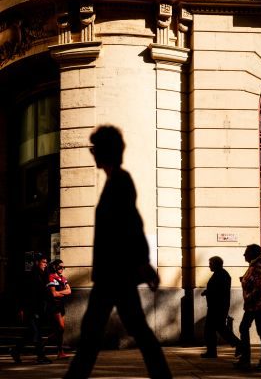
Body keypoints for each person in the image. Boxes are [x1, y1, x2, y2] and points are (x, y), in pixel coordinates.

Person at [63, 125, 173, 379]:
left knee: (98, 335)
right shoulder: (115, 181)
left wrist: (144, 263)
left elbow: (132, 224)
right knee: (120, 332)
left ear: (105, 151)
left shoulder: (120, 182)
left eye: (95, 149)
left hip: (115, 275)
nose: (92, 154)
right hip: (112, 275)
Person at [10, 253, 52, 364]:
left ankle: (15, 350)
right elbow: (22, 293)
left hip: (40, 308)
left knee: (30, 333)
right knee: (36, 333)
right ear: (37, 262)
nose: (45, 264)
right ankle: (40, 356)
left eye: (46, 262)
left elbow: (45, 292)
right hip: (31, 309)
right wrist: (21, 309)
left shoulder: (44, 275)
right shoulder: (30, 275)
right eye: (43, 262)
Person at [234, 244, 261, 370]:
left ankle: (247, 360)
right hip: (256, 304)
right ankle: (256, 360)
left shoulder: (257, 266)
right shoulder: (255, 265)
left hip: (255, 305)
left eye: (246, 252)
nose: (244, 255)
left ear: (252, 254)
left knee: (245, 328)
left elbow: (260, 286)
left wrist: (249, 297)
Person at [201, 256, 241, 358]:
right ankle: (212, 352)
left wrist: (208, 292)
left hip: (218, 307)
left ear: (216, 264)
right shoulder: (219, 274)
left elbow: (220, 291)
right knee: (214, 329)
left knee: (216, 329)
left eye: (210, 263)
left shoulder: (222, 275)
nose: (209, 265)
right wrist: (207, 292)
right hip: (216, 306)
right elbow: (216, 289)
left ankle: (239, 345)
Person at [47, 259, 71, 359]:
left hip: (61, 305)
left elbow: (69, 291)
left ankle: (60, 352)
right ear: (55, 267)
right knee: (60, 328)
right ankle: (44, 343)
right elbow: (53, 293)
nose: (62, 269)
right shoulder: (51, 277)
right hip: (54, 306)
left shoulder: (63, 278)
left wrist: (59, 293)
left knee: (60, 330)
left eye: (63, 267)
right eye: (60, 267)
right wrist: (63, 292)